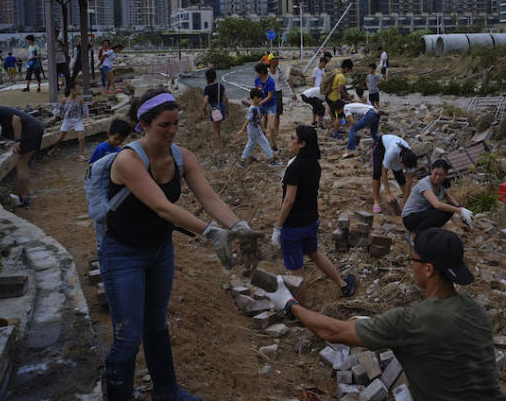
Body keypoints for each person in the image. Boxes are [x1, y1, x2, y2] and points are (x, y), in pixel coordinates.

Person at [100, 88, 253, 400]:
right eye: (164, 125)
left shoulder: (182, 157)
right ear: (143, 124)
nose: (172, 131)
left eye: (175, 124)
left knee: (156, 324)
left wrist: (238, 226)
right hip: (122, 255)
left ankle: (167, 391)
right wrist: (212, 233)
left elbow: (209, 197)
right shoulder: (129, 160)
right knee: (127, 336)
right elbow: (163, 207)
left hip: (159, 251)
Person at [266, 227, 505, 401]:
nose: (411, 264)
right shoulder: (477, 312)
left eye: (414, 259)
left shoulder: (413, 319)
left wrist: (289, 304)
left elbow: (332, 331)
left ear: (429, 269)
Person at [271, 125, 355, 298]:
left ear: (302, 143)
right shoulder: (314, 164)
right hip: (311, 220)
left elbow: (289, 200)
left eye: (292, 138)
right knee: (314, 253)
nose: (289, 141)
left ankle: (302, 311)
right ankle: (343, 284)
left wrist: (278, 227)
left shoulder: (294, 168)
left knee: (296, 271)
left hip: (293, 227)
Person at [402, 159, 474, 234]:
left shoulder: (441, 184)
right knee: (439, 212)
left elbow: (447, 196)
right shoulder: (424, 184)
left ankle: (431, 231)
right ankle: (416, 235)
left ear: (445, 175)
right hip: (410, 218)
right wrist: (459, 210)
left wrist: (460, 207)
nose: (437, 177)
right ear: (431, 171)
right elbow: (436, 205)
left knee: (450, 207)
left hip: (423, 214)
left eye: (441, 175)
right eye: (435, 174)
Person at [0, 105, 45, 208]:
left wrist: (17, 141)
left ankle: (24, 197)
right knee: (22, 163)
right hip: (34, 129)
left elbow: (16, 119)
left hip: (30, 131)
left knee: (21, 163)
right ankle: (24, 195)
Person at [370, 133, 418, 214]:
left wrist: (405, 200)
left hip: (397, 153)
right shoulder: (392, 152)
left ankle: (408, 202)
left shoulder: (411, 158)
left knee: (400, 176)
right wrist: (388, 194)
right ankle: (376, 201)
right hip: (380, 145)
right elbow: (384, 173)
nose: (405, 169)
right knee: (377, 173)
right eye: (405, 167)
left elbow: (409, 180)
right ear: (401, 160)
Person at [234, 88, 280, 166]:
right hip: (256, 131)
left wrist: (263, 129)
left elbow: (258, 119)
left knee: (250, 145)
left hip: (253, 131)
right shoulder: (253, 109)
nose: (260, 100)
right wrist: (242, 130)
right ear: (255, 98)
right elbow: (248, 120)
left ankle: (242, 161)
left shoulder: (254, 107)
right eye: (259, 98)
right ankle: (272, 161)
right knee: (265, 144)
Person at [49, 82, 90, 160]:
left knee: (81, 138)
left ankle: (80, 154)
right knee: (59, 138)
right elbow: (59, 108)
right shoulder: (65, 99)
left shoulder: (80, 99)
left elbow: (85, 109)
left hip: (78, 120)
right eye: (78, 89)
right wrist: (54, 116)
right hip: (67, 120)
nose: (79, 90)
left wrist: (88, 118)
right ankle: (54, 149)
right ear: (72, 90)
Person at [265, 53, 297, 150]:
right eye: (275, 59)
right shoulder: (266, 71)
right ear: (270, 61)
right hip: (268, 94)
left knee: (277, 114)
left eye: (277, 59)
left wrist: (292, 93)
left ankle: (276, 132)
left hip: (277, 93)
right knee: (266, 116)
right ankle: (265, 133)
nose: (277, 61)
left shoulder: (279, 69)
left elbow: (286, 80)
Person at [341, 89, 380, 159]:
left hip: (369, 114)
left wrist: (352, 122)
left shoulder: (345, 108)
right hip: (376, 112)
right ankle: (381, 146)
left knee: (352, 130)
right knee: (373, 133)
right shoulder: (350, 105)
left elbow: (352, 122)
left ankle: (350, 151)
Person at [325, 58, 354, 139]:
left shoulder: (335, 71)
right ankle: (335, 133)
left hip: (328, 96)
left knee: (335, 115)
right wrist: (347, 97)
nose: (347, 72)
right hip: (335, 99)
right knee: (340, 116)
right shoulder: (341, 76)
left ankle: (336, 129)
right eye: (348, 70)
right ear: (347, 68)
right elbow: (340, 90)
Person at [202, 68, 228, 149]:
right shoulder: (220, 85)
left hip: (214, 108)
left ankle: (217, 144)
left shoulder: (207, 88)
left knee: (214, 127)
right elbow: (226, 98)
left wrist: (204, 109)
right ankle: (218, 140)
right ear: (215, 77)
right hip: (222, 106)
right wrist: (227, 109)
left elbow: (206, 101)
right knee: (218, 126)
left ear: (207, 77)